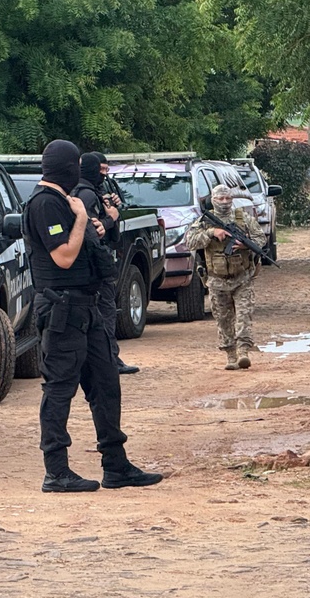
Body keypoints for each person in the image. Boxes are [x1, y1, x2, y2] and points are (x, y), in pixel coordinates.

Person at [22, 139, 162, 493]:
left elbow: (82, 246)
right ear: (66, 168)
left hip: (88, 308)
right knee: (59, 390)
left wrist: (95, 227)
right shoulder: (44, 204)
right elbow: (64, 257)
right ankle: (56, 471)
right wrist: (83, 219)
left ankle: (116, 465)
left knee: (105, 385)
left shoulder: (65, 202)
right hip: (61, 310)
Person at [185, 183, 266, 370]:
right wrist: (212, 233)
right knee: (223, 318)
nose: (225, 202)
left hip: (242, 277)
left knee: (244, 316)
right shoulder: (205, 221)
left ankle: (244, 351)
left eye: (228, 198)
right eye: (220, 199)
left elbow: (260, 238)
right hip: (216, 279)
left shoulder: (243, 218)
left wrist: (246, 245)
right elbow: (190, 241)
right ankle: (231, 355)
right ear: (213, 200)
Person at [73, 152, 137, 375]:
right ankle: (110, 360)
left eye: (107, 171)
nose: (105, 175)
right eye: (101, 171)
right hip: (94, 266)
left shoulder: (88, 192)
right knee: (106, 311)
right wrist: (111, 218)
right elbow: (93, 230)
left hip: (85, 266)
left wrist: (111, 205)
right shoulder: (87, 194)